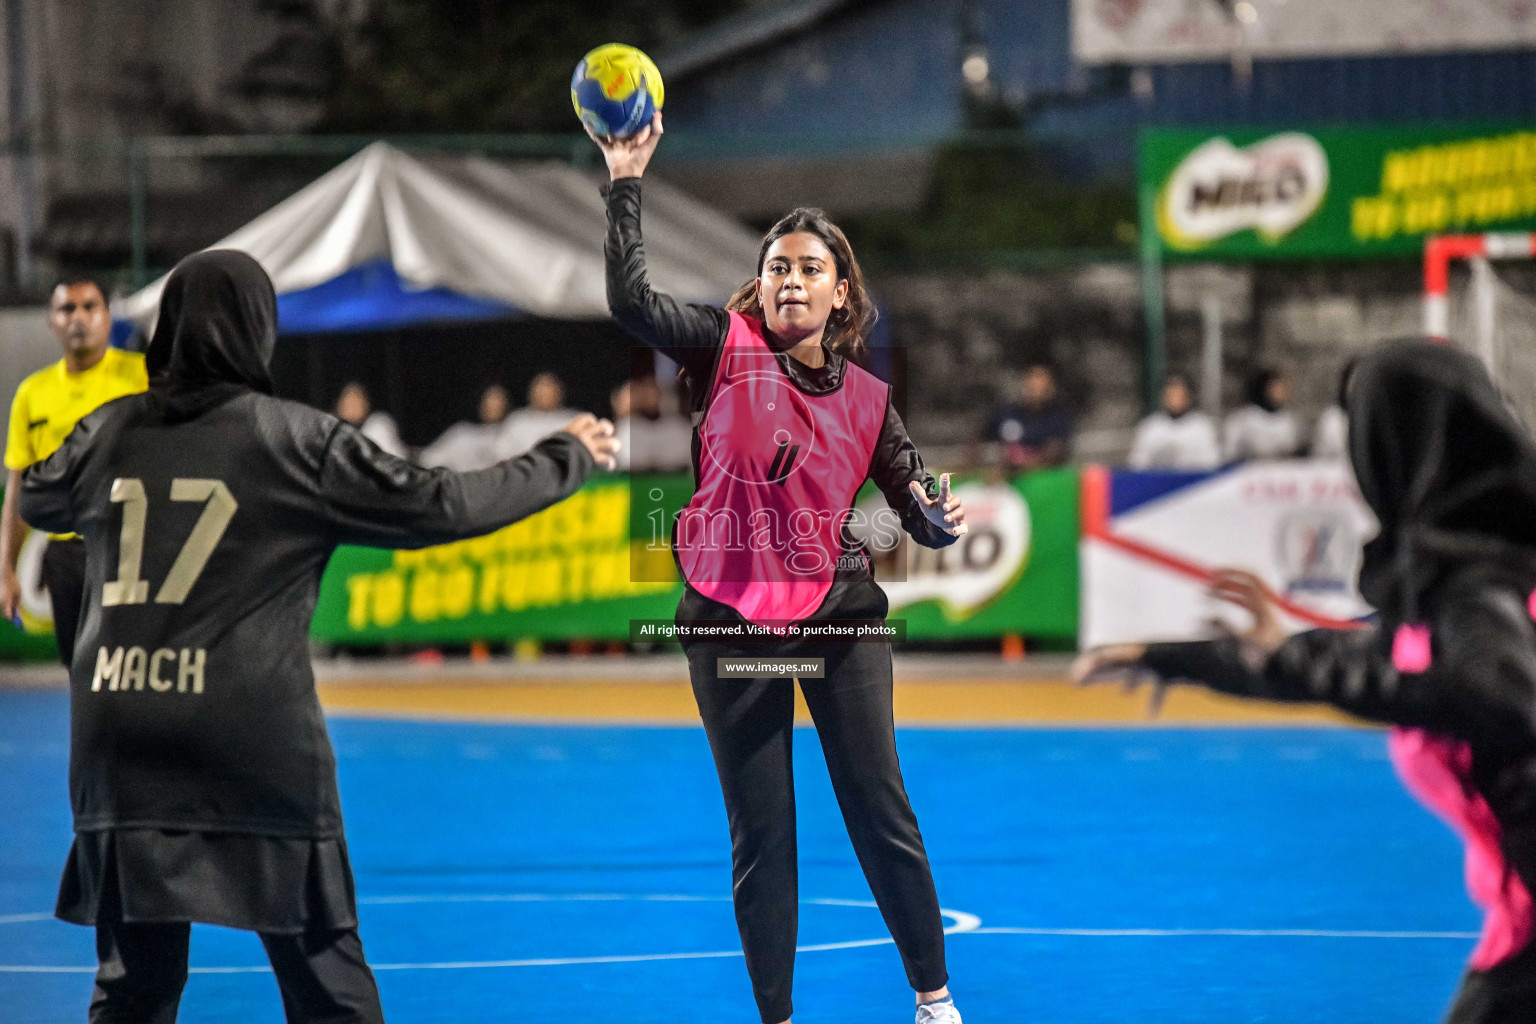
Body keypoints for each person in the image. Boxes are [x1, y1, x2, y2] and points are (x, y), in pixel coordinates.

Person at [16, 250, 618, 1024]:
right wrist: (563, 456)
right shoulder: (295, 441)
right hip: (248, 741)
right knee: (326, 988)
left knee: (134, 989)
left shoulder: (108, 432)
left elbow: (37, 494)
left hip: (119, 738)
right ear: (259, 332)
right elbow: (442, 505)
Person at [594, 113, 966, 1024]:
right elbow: (631, 301)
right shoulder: (724, 347)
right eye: (777, 266)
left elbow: (916, 498)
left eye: (810, 267)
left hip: (837, 616)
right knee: (764, 832)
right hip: (729, 619)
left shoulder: (871, 402)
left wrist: (932, 516)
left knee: (880, 809)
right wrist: (624, 183)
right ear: (758, 289)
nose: (790, 277)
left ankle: (934, 999)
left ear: (842, 294)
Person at [1074, 340, 1536, 1024]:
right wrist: (1177, 656)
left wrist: (1291, 660)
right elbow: (1349, 664)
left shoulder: (1478, 591)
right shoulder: (1466, 576)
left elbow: (1502, 700)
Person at [2, 275, 147, 665]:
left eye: (89, 306)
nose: (78, 317)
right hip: (65, 555)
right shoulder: (33, 394)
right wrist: (5, 570)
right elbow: (19, 489)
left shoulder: (144, 376)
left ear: (107, 316)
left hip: (131, 547)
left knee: (135, 668)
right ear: (52, 321)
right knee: (80, 668)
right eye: (67, 308)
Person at [981, 362, 1074, 474]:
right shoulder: (1008, 412)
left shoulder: (1058, 415)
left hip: (1043, 479)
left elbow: (1055, 451)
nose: (1035, 391)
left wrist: (1023, 464)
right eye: (1031, 385)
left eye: (1041, 386)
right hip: (1008, 481)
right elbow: (982, 436)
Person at [1126, 373, 1221, 471]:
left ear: (1188, 396)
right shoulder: (1149, 427)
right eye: (1170, 394)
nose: (1174, 399)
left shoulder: (1202, 427)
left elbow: (1210, 468)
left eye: (1178, 394)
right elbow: (1137, 466)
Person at [417, 383, 509, 472]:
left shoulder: (512, 433)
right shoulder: (462, 433)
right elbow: (429, 460)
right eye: (490, 401)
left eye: (499, 401)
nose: (494, 406)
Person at [1222, 367, 1300, 461]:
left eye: (1282, 388)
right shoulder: (1243, 419)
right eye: (1275, 388)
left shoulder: (1287, 420)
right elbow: (1228, 454)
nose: (1281, 393)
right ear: (1264, 388)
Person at [497, 371, 580, 458]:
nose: (544, 393)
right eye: (540, 388)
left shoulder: (574, 421)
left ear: (560, 391)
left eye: (548, 387)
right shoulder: (517, 422)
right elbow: (501, 455)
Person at [335, 382, 407, 459]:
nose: (352, 409)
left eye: (356, 403)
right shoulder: (335, 430)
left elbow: (394, 460)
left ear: (366, 404)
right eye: (349, 405)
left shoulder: (379, 425)